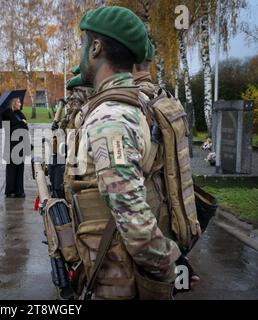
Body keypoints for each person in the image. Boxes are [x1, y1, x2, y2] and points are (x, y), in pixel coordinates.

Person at [65, 6, 182, 300]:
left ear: (95, 47)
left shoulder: (111, 119)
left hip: (118, 280)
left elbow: (134, 220)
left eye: (83, 44)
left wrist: (169, 266)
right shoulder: (133, 104)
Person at [3, 97, 29, 198]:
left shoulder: (19, 113)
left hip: (21, 144)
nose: (20, 103)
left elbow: (25, 127)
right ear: (13, 103)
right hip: (11, 145)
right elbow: (10, 129)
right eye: (18, 101)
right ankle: (10, 191)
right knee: (11, 169)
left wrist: (21, 124)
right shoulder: (7, 114)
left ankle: (19, 191)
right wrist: (21, 124)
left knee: (20, 168)